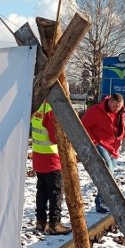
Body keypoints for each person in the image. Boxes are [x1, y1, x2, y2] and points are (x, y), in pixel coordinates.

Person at [81, 93, 125, 213]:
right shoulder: (95, 110)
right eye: (115, 106)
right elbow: (83, 126)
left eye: (119, 106)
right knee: (108, 170)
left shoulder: (123, 112)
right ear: (109, 102)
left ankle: (103, 201)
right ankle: (101, 203)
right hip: (100, 144)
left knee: (109, 174)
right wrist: (93, 141)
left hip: (114, 148)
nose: (117, 109)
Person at [30, 101, 71, 235]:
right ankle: (55, 224)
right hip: (52, 158)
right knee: (56, 192)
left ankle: (40, 222)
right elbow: (55, 138)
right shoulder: (51, 109)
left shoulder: (38, 105)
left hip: (38, 156)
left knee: (41, 191)